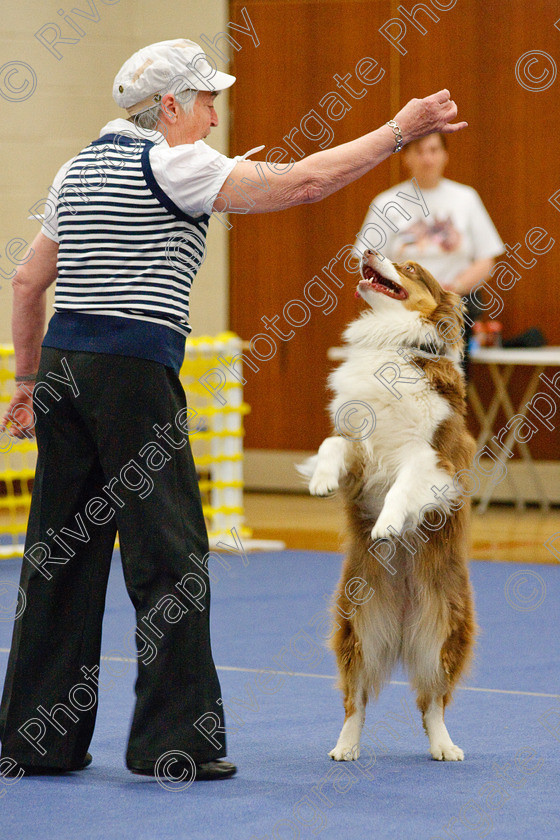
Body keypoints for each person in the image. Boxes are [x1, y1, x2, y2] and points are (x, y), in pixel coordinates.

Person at [0, 38, 466, 780]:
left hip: (62, 369)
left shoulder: (73, 168)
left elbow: (28, 284)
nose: (216, 117)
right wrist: (400, 131)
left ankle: (33, 741)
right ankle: (173, 743)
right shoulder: (175, 162)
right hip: (133, 373)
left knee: (58, 556)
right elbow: (305, 184)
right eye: (208, 100)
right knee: (171, 557)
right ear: (172, 108)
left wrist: (27, 383)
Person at [354, 132, 504, 374]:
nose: (427, 159)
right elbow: (367, 259)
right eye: (419, 152)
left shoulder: (465, 198)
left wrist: (450, 289)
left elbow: (486, 260)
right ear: (406, 158)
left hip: (452, 306)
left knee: (448, 378)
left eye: (433, 150)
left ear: (445, 156)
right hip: (401, 307)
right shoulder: (386, 203)